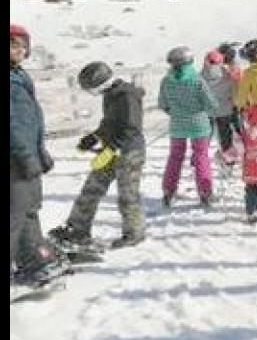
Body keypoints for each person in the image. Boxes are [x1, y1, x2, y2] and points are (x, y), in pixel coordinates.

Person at [50, 61, 147, 249]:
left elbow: (132, 128)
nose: (90, 92)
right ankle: (77, 228)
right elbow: (108, 123)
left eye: (90, 88)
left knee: (127, 195)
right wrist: (94, 137)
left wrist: (114, 148)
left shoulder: (127, 96)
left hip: (129, 152)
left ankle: (134, 233)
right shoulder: (110, 94)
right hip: (111, 150)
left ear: (101, 82)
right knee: (91, 188)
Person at [10, 23, 64, 287]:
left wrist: (39, 152)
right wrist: (24, 155)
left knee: (30, 209)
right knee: (14, 215)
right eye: (12, 44)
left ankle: (33, 260)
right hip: (14, 158)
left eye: (21, 45)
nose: (17, 50)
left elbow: (28, 121)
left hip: (26, 155)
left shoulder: (19, 76)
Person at [159, 46, 217, 207]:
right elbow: (211, 104)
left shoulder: (166, 81)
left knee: (175, 157)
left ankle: (168, 190)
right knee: (201, 156)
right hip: (199, 125)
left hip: (177, 125)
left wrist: (175, 112)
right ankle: (205, 192)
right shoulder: (197, 80)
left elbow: (162, 104)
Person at [201, 50, 239, 165]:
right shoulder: (227, 76)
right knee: (225, 136)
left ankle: (200, 159)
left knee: (204, 136)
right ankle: (229, 159)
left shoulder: (200, 76)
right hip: (225, 111)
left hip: (207, 111)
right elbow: (234, 91)